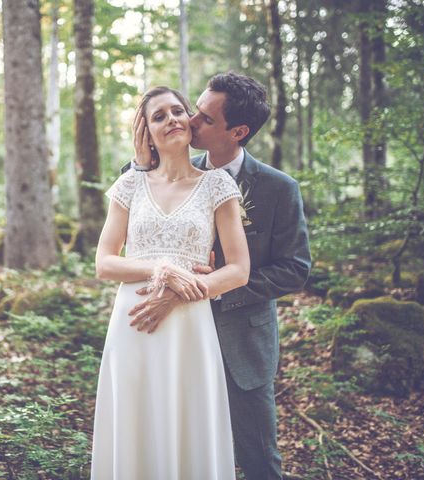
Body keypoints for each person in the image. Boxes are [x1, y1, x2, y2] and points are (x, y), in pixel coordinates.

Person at [129, 72, 312, 480]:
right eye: (194, 109)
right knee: (181, 452)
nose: (191, 121)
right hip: (173, 336)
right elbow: (133, 200)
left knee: (258, 458)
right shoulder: (165, 170)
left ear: (239, 131)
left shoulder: (278, 190)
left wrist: (212, 290)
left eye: (206, 119)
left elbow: (295, 269)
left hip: (240, 342)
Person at [91, 86, 250, 479]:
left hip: (190, 326)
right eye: (159, 116)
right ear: (147, 131)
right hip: (133, 322)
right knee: (137, 425)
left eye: (178, 111)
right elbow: (104, 262)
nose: (172, 120)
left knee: (187, 422)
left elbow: (239, 270)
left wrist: (183, 290)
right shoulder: (129, 184)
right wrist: (161, 267)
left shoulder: (217, 186)